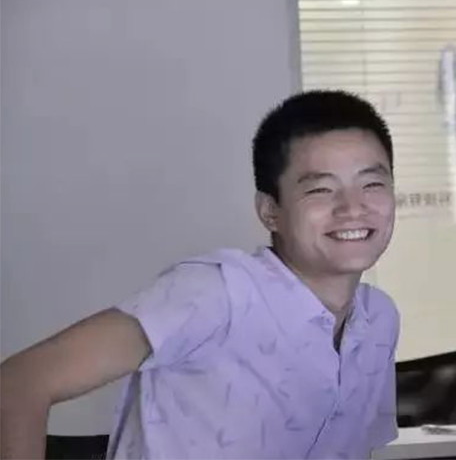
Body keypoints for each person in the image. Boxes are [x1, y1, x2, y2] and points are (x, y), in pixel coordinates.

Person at [0, 90, 400, 460]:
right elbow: (19, 382)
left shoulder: (378, 320)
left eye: (372, 183)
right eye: (320, 190)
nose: (353, 207)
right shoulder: (217, 293)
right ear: (270, 212)